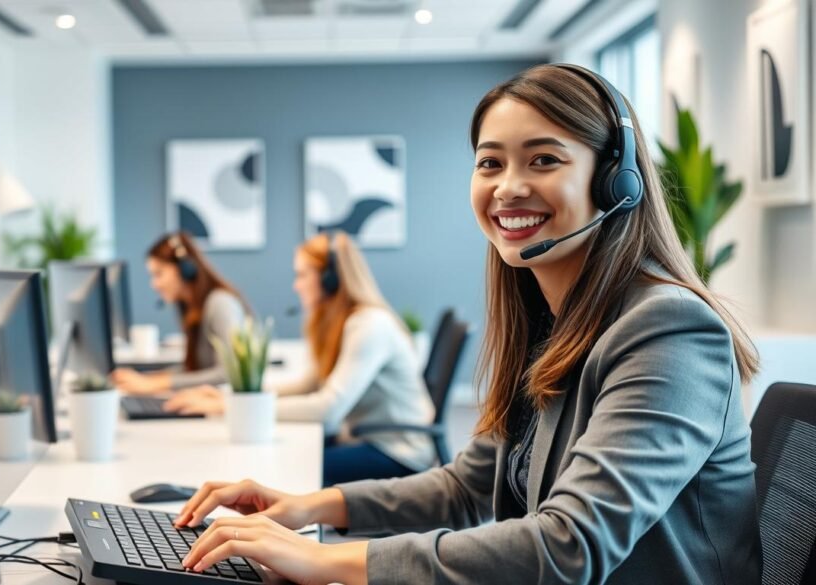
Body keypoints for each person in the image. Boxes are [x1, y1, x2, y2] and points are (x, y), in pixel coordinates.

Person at [168, 64, 762, 584]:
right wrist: (304, 507)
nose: (508, 187)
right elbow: (466, 487)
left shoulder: (670, 331)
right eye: (490, 163)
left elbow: (570, 546)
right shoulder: (549, 323)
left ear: (616, 183)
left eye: (544, 159)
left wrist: (328, 563)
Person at [164, 232, 436, 485]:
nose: (296, 285)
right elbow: (308, 385)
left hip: (397, 453)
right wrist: (239, 398)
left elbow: (328, 410)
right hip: (363, 439)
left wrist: (232, 408)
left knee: (286, 468)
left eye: (302, 275)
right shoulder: (339, 322)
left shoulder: (369, 325)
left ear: (331, 280)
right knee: (278, 456)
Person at [111, 232, 249, 394]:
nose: (154, 284)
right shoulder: (194, 308)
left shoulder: (220, 304)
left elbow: (230, 373)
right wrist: (149, 379)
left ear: (185, 270)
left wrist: (157, 384)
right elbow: (196, 367)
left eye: (159, 274)